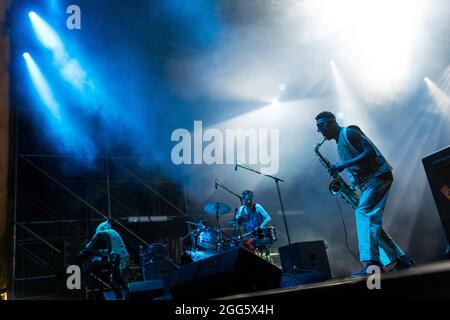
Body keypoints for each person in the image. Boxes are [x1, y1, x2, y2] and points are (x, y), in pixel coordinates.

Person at [315, 111, 415, 277]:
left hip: (378, 177)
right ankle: (402, 260)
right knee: (372, 223)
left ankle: (372, 266)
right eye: (318, 129)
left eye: (322, 126)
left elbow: (370, 152)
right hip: (367, 183)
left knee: (363, 213)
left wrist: (344, 164)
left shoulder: (350, 132)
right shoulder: (339, 142)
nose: (321, 131)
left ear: (332, 122)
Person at [80, 220, 129, 299]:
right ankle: (120, 296)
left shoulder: (106, 231)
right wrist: (96, 252)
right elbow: (108, 251)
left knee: (119, 278)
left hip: (119, 258)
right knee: (114, 279)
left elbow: (96, 237)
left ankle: (129, 294)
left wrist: (87, 248)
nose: (102, 238)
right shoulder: (112, 235)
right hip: (120, 257)